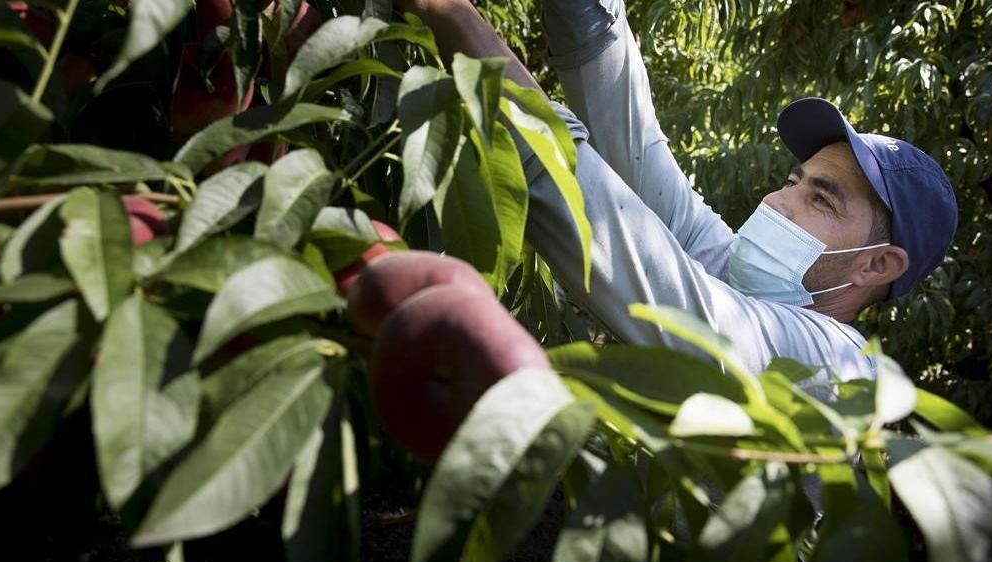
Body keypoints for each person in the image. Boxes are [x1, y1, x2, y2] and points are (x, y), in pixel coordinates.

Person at [396, 0, 958, 386]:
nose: (775, 203)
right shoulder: (742, 279)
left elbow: (622, 241)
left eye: (821, 199)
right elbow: (636, 149)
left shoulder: (831, 368)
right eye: (793, 181)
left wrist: (447, 12)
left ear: (876, 264)